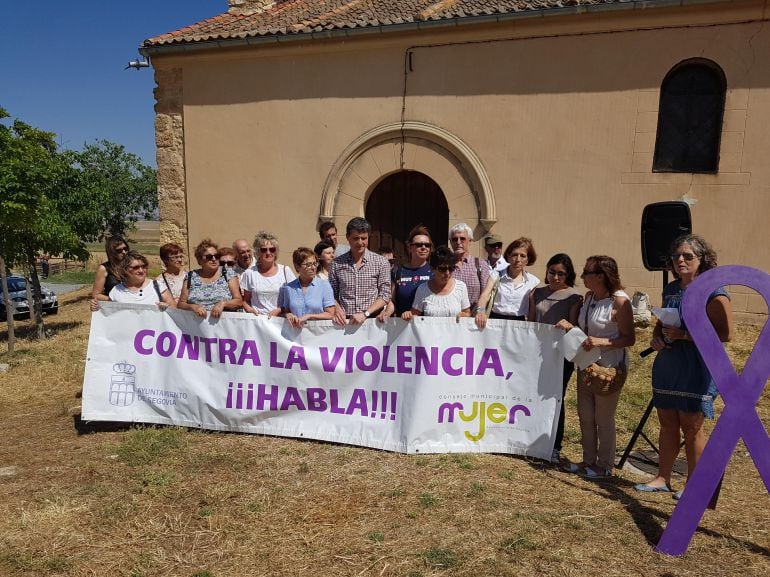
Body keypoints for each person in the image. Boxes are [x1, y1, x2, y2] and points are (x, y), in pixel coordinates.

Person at [634, 234, 732, 499]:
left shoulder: (715, 291)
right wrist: (657, 337)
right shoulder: (672, 289)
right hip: (669, 363)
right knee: (666, 421)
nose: (680, 260)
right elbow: (663, 320)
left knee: (691, 426)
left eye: (688, 256)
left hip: (697, 365)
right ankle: (662, 478)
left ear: (702, 260)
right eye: (677, 256)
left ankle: (694, 486)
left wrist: (685, 337)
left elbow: (725, 334)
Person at [557, 255, 635, 479]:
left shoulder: (620, 302)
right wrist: (570, 327)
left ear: (600, 276)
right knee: (585, 415)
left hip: (609, 367)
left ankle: (605, 465)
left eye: (587, 273)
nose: (582, 277)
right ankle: (588, 460)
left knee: (603, 418)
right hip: (586, 364)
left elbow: (629, 338)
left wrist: (602, 342)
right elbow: (585, 330)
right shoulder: (589, 297)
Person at [528, 254, 583, 463]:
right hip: (537, 354)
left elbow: (575, 327)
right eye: (552, 272)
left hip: (561, 356)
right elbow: (530, 323)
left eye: (561, 273)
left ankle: (554, 445)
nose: (556, 277)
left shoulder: (574, 297)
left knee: (555, 398)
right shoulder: (537, 293)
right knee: (534, 396)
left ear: (568, 275)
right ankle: (533, 440)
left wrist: (568, 326)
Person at [329, 217, 391, 325]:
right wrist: (337, 309)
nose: (360, 242)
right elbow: (331, 293)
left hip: (372, 320)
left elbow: (385, 295)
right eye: (356, 238)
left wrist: (365, 313)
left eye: (364, 238)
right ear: (348, 237)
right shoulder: (336, 263)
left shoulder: (381, 262)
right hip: (345, 321)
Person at [177, 239, 243, 318]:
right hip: (197, 325)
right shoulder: (191, 276)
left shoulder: (228, 274)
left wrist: (223, 303)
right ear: (200, 260)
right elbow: (181, 304)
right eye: (209, 257)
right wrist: (193, 307)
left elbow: (239, 302)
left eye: (217, 256)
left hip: (225, 325)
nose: (214, 259)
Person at [448, 223, 497, 327]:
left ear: (470, 241)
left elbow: (485, 294)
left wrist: (481, 311)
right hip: (450, 322)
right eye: (454, 239)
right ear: (450, 242)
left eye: (462, 239)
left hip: (474, 321)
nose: (458, 242)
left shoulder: (480, 264)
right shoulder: (444, 266)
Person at [91, 251, 176, 310]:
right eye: (136, 267)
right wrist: (96, 307)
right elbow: (109, 314)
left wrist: (167, 308)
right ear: (125, 270)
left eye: (143, 266)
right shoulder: (116, 290)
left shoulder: (158, 286)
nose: (141, 270)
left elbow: (175, 311)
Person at [404, 246, 471, 320]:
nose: (447, 273)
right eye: (442, 269)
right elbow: (414, 314)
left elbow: (467, 312)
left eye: (451, 268)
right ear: (432, 269)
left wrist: (464, 315)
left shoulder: (461, 287)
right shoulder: (422, 289)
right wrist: (408, 315)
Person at [277, 247, 336, 328]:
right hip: (295, 335)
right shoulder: (289, 288)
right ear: (297, 267)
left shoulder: (324, 285)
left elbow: (330, 314)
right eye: (308, 265)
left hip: (318, 333)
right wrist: (288, 315)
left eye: (315, 263)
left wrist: (309, 316)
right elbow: (286, 311)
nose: (313, 268)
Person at [241, 231, 296, 316]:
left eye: (272, 249)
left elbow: (294, 298)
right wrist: (250, 310)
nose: (268, 252)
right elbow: (246, 301)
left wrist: (280, 310)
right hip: (258, 322)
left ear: (276, 251)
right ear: (258, 252)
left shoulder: (286, 271)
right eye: (264, 250)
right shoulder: (249, 273)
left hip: (279, 322)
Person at [487, 237, 540, 321]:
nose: (518, 260)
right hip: (495, 321)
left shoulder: (533, 281)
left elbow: (532, 310)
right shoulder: (495, 275)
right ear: (508, 256)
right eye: (514, 255)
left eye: (523, 256)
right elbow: (484, 296)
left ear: (528, 259)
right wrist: (481, 311)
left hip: (519, 324)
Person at [385, 225, 433, 318]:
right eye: (418, 245)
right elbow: (392, 300)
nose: (423, 247)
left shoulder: (434, 272)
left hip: (427, 327)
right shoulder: (397, 271)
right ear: (410, 247)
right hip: (403, 326)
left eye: (427, 245)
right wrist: (387, 312)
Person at [92, 235, 130, 303]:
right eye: (119, 250)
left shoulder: (132, 265)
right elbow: (96, 295)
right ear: (111, 252)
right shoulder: (104, 269)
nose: (124, 252)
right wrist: (114, 299)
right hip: (114, 309)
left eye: (125, 248)